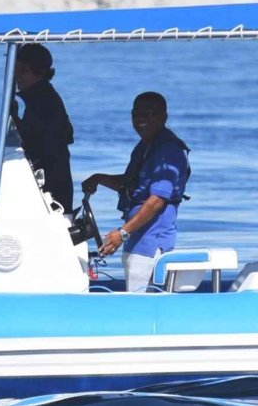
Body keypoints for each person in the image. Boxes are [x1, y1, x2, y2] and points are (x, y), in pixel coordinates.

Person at [81, 91, 191, 292]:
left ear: (163, 117)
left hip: (151, 243)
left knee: (141, 300)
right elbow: (131, 184)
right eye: (136, 113)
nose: (141, 119)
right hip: (136, 240)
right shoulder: (145, 147)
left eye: (149, 114)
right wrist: (99, 178)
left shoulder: (168, 151)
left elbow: (157, 200)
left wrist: (122, 234)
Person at [11, 42, 75, 213]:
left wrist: (15, 118)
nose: (17, 76)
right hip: (55, 182)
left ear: (40, 72)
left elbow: (35, 144)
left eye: (23, 71)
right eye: (15, 70)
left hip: (52, 187)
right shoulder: (41, 98)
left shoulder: (44, 102)